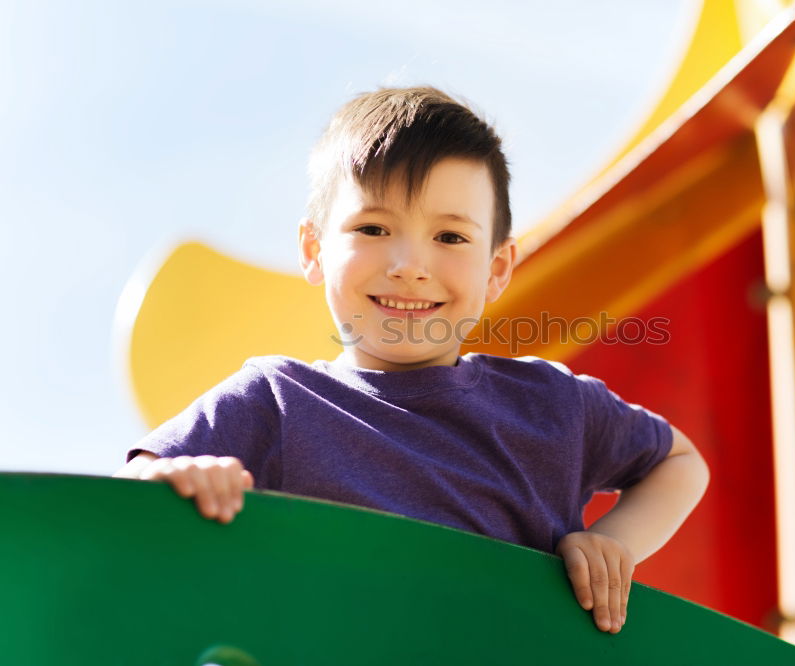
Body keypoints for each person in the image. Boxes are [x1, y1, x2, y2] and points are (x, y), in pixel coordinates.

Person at [113, 86, 710, 635]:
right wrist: (170, 483)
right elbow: (124, 497)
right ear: (314, 249)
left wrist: (614, 542)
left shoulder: (551, 403)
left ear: (497, 268)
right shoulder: (273, 400)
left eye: (450, 237)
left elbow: (681, 463)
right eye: (373, 227)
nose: (409, 264)